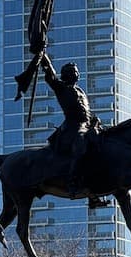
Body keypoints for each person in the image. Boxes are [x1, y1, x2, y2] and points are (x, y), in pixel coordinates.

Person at [40, 51, 103, 201]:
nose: (77, 74)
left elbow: (86, 111)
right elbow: (50, 74)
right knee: (80, 145)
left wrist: (95, 122)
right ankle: (72, 183)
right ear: (66, 75)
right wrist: (43, 55)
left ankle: (96, 182)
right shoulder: (61, 87)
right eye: (74, 72)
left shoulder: (81, 91)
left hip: (86, 126)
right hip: (72, 128)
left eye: (77, 72)